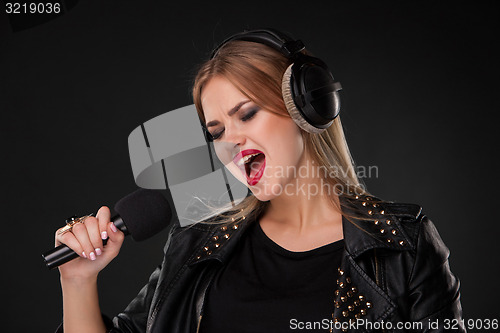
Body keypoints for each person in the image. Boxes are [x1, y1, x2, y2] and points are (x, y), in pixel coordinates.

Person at [55, 29, 465, 332]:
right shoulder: (197, 241)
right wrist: (78, 281)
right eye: (216, 132)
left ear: (308, 107)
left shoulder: (401, 247)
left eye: (247, 114)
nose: (230, 140)